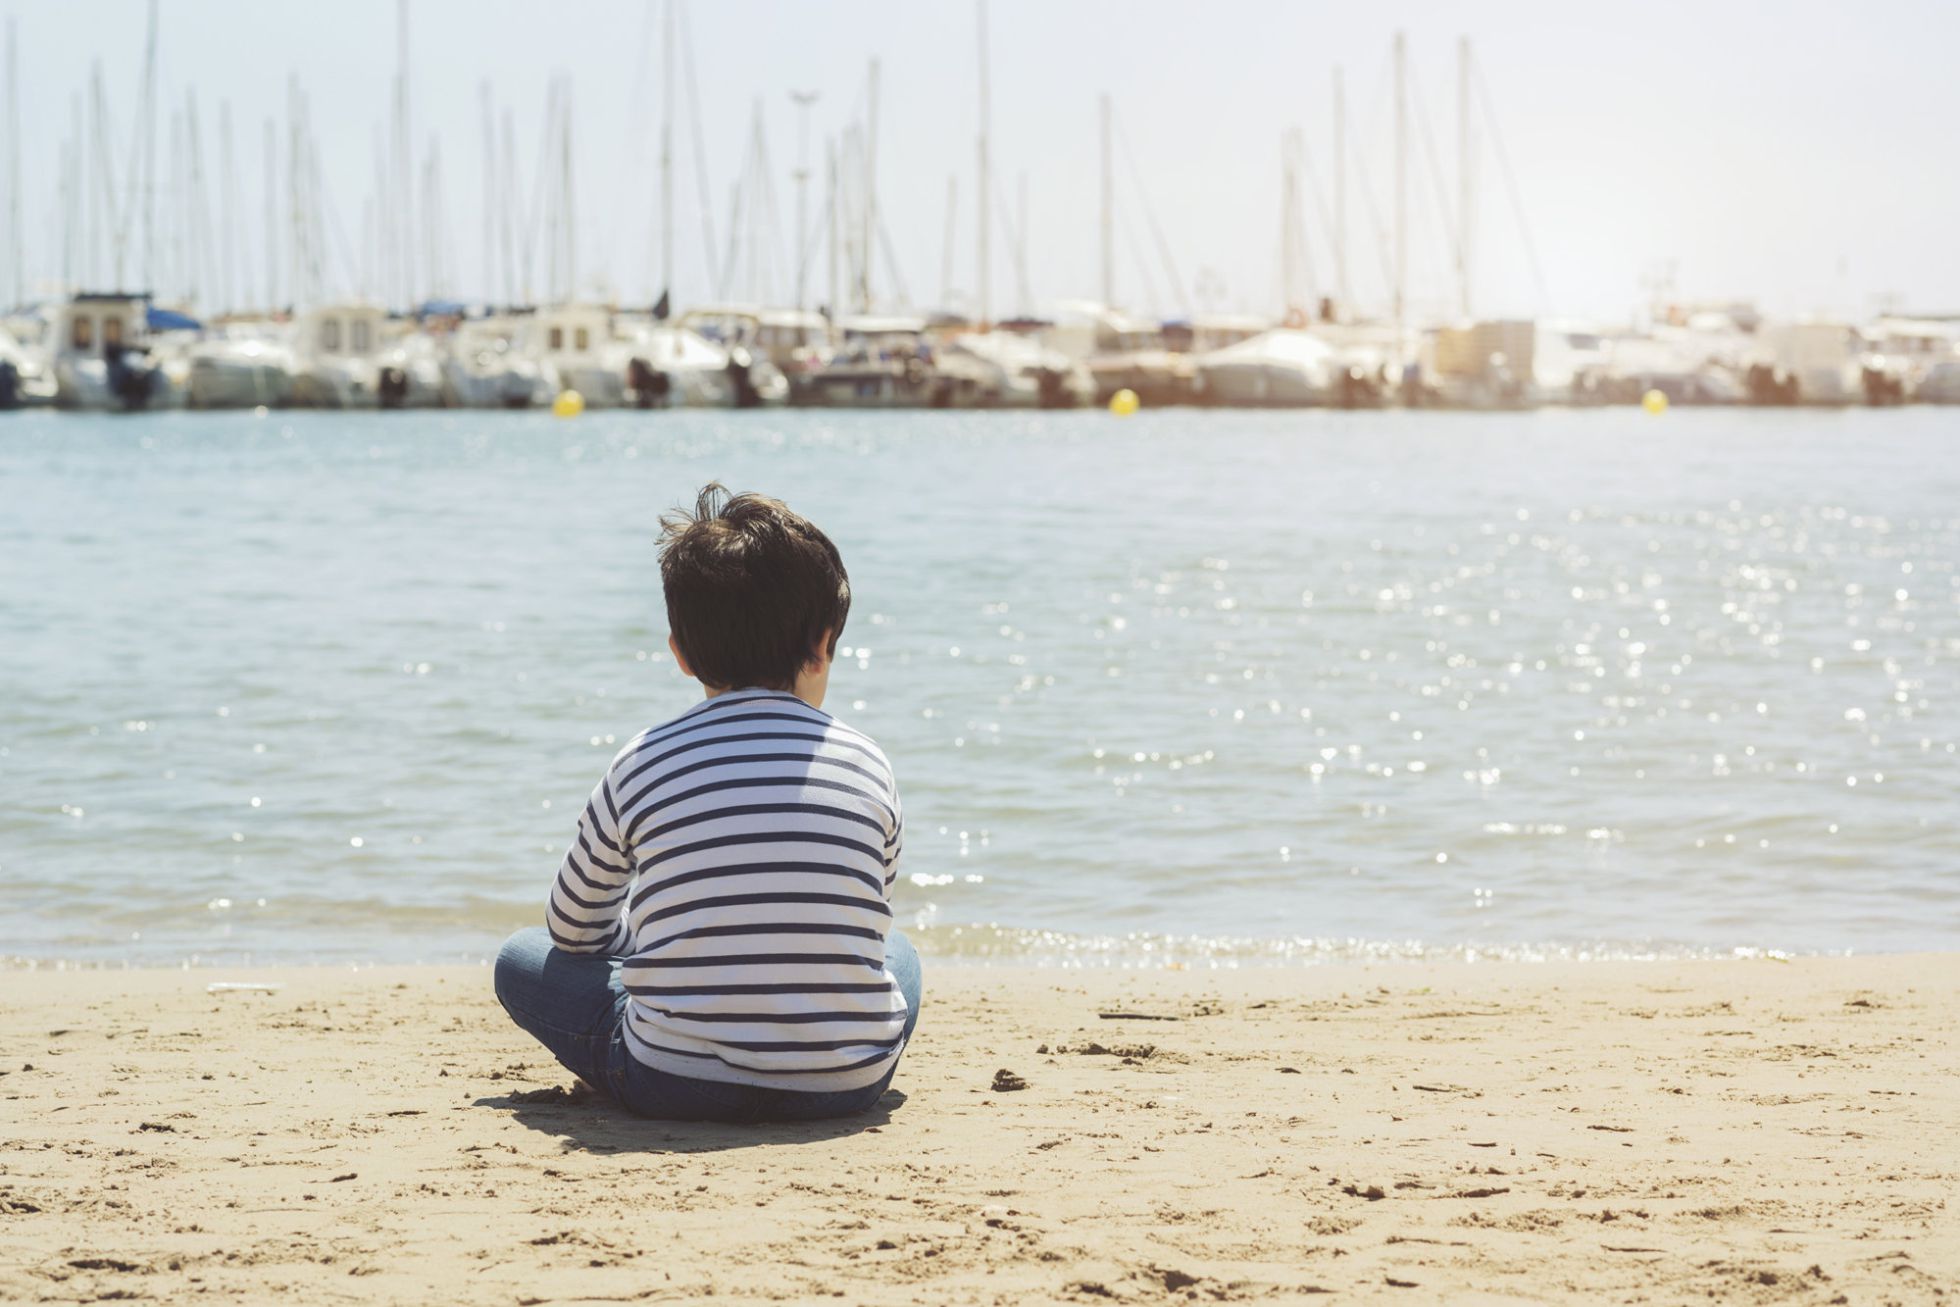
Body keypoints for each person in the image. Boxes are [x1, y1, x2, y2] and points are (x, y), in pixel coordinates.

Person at [493, 484, 918, 1123]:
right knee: (899, 954)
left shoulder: (644, 757)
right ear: (824, 642)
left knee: (519, 959)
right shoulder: (867, 760)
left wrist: (650, 941)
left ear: (681, 654)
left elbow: (573, 929)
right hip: (844, 1081)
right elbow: (863, 912)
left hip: (673, 1080)